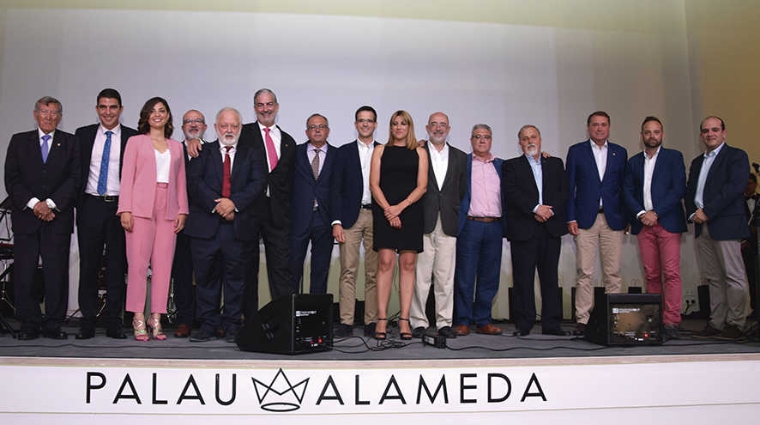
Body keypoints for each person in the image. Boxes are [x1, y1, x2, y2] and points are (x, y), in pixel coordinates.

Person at [185, 107, 266, 343]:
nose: (229, 130)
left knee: (236, 280)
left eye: (234, 126)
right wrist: (217, 205)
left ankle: (232, 325)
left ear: (240, 128)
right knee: (205, 279)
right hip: (205, 228)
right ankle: (208, 325)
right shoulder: (202, 151)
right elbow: (194, 182)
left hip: (238, 227)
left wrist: (233, 204)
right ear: (215, 127)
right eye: (224, 126)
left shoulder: (252, 153)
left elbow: (258, 183)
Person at [4, 96, 80, 340]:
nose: (49, 117)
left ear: (60, 116)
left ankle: (53, 324)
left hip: (57, 218)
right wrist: (35, 204)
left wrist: (50, 204)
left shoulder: (70, 142)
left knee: (56, 272)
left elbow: (75, 179)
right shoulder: (19, 141)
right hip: (27, 218)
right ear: (36, 114)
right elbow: (12, 179)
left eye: (55, 113)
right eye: (45, 112)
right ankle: (29, 323)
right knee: (24, 272)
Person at [118, 97, 188, 341]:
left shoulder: (177, 146)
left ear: (168, 115)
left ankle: (156, 317)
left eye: (162, 110)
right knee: (137, 265)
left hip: (169, 208)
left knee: (163, 266)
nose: (157, 114)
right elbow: (126, 178)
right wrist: (124, 208)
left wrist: (183, 210)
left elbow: (181, 182)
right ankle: (138, 315)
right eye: (152, 111)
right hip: (139, 208)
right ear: (146, 116)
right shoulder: (135, 142)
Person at [75, 88, 138, 340]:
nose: (108, 112)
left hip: (119, 208)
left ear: (121, 109)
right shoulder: (83, 135)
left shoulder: (133, 137)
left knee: (116, 267)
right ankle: (87, 321)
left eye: (113, 107)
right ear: (97, 109)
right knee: (88, 266)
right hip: (90, 205)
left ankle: (114, 322)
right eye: (103, 107)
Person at [685, 116, 751, 341]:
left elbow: (734, 187)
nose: (710, 134)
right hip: (702, 227)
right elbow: (690, 191)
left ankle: (737, 323)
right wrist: (693, 213)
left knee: (734, 276)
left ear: (724, 132)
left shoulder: (736, 156)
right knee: (713, 278)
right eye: (705, 131)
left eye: (714, 130)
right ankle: (717, 321)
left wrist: (708, 211)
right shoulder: (697, 162)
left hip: (726, 224)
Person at [622, 116, 687, 340]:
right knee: (651, 274)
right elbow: (627, 191)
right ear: (642, 136)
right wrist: (641, 214)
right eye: (648, 132)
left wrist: (656, 213)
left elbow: (678, 189)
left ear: (662, 134)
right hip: (644, 225)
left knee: (671, 273)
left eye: (656, 132)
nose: (652, 136)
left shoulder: (673, 157)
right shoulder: (633, 162)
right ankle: (655, 319)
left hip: (667, 222)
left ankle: (671, 321)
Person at [565, 111, 628, 336]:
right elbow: (569, 187)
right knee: (585, 272)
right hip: (585, 220)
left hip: (613, 219)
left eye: (603, 125)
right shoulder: (576, 151)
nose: (599, 129)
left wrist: (627, 217)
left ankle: (616, 319)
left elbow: (624, 188)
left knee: (613, 272)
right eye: (595, 125)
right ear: (588, 128)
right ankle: (583, 319)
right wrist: (570, 217)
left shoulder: (619, 152)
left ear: (609, 127)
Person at [503, 125, 568, 336]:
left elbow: (563, 191)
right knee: (523, 278)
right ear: (519, 143)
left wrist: (550, 211)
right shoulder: (511, 166)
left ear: (540, 139)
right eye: (524, 138)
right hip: (524, 228)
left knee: (550, 277)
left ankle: (551, 323)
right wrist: (535, 208)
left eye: (533, 137)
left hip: (550, 228)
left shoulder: (556, 163)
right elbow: (511, 193)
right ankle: (524, 323)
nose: (529, 141)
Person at [369, 110, 428, 340]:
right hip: (385, 210)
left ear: (409, 127)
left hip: (410, 211)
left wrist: (399, 208)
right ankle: (382, 319)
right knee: (385, 262)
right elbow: (374, 185)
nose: (398, 127)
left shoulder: (420, 152)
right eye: (394, 123)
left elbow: (422, 186)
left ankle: (404, 320)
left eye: (403, 123)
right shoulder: (380, 150)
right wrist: (389, 210)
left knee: (408, 264)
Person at [410, 112, 467, 339]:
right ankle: (418, 322)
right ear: (427, 127)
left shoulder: (461, 157)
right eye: (434, 124)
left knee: (445, 278)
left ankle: (444, 322)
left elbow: (461, 191)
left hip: (449, 224)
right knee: (420, 277)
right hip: (423, 221)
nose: (438, 128)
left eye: (442, 125)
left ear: (449, 129)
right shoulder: (417, 153)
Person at [331, 106, 381, 338]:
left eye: (369, 121)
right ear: (355, 124)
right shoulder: (343, 152)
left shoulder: (384, 150)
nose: (365, 124)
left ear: (375, 124)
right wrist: (336, 222)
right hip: (350, 218)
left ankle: (371, 321)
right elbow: (336, 190)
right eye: (361, 120)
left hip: (377, 217)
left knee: (374, 272)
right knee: (348, 271)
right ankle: (346, 322)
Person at [454, 124, 505, 337]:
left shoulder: (502, 165)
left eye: (486, 137)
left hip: (494, 226)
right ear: (471, 140)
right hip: (470, 225)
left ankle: (483, 320)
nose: (482, 140)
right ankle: (463, 320)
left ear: (491, 140)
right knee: (465, 275)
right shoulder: (462, 163)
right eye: (477, 136)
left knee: (489, 276)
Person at [171, 109, 208, 338]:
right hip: (179, 222)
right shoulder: (172, 152)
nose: (193, 125)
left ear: (205, 127)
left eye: (197, 121)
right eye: (188, 122)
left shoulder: (214, 150)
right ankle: (184, 319)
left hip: (207, 221)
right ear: (181, 127)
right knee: (182, 272)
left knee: (208, 274)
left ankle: (207, 319)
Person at [291, 114, 337, 295]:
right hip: (298, 217)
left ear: (328, 131)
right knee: (293, 268)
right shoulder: (294, 152)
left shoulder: (337, 154)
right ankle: (292, 316)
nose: (317, 130)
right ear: (306, 131)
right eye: (312, 127)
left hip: (325, 219)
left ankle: (316, 318)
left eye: (321, 126)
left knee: (320, 270)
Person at [742, 173, 759, 317]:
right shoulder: (738, 202)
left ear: (756, 184)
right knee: (751, 277)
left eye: (750, 183)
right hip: (746, 245)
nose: (748, 186)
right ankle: (755, 308)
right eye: (745, 183)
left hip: (757, 243)